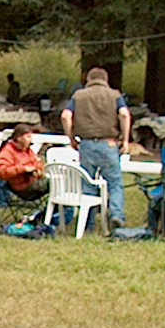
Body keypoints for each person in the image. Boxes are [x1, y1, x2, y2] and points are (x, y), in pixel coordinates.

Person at [61, 67, 130, 231]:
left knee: (88, 183)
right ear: (106, 80)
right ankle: (116, 215)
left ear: (88, 79)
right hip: (109, 144)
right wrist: (125, 140)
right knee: (114, 183)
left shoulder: (79, 96)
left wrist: (71, 138)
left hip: (86, 144)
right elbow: (124, 114)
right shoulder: (115, 95)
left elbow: (65, 116)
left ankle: (88, 223)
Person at [0, 124, 49, 200]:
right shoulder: (8, 151)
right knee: (53, 184)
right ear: (19, 138)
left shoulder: (28, 150)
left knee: (57, 182)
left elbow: (37, 164)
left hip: (33, 182)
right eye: (28, 137)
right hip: (20, 188)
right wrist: (23, 169)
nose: (31, 139)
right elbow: (1, 172)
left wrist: (38, 171)